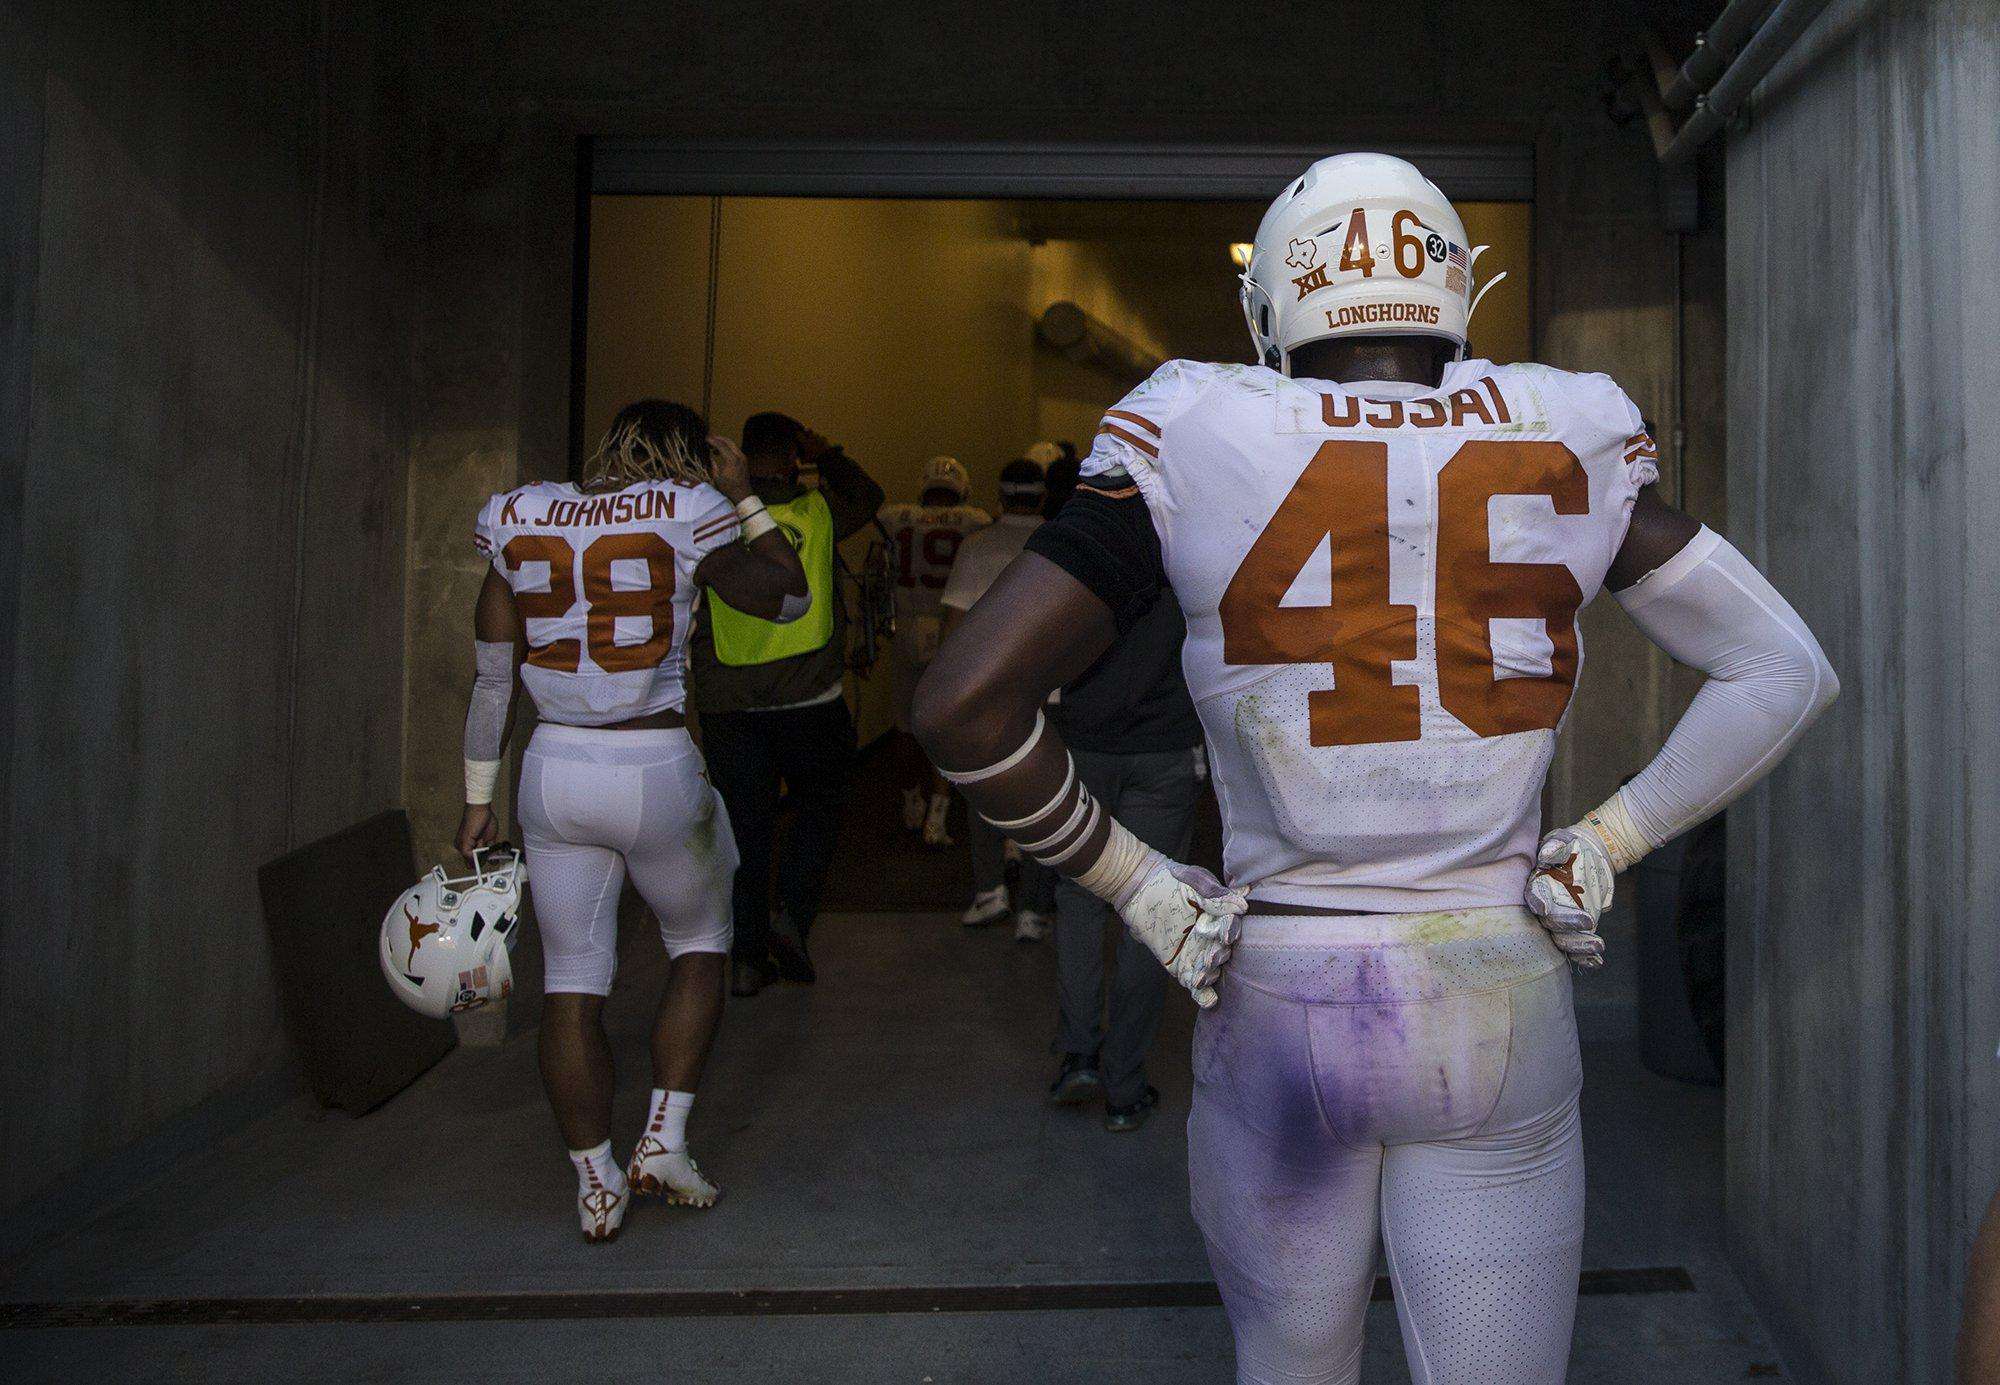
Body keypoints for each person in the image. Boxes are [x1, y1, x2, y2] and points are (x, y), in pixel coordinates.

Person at [915, 152, 1838, 1383]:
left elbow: (964, 703)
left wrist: (1135, 880)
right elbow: (1781, 667)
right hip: (1492, 981)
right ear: (1455, 288)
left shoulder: (1195, 420)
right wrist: (1607, 840)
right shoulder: (1562, 420)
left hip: (1284, 983)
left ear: (1277, 301)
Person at [456, 400, 807, 1243]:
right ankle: (663, 1142)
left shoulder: (519, 510)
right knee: (698, 945)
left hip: (552, 770)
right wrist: (741, 496)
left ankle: (595, 1181)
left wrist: (476, 797)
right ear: (689, 455)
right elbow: (787, 602)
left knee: (572, 981)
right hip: (651, 765)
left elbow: (495, 679)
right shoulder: (687, 506)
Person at [686, 412, 885, 999]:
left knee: (745, 831)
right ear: (795, 456)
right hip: (812, 702)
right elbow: (868, 495)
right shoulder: (821, 511)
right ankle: (792, 917)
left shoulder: (706, 519)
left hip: (729, 707)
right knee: (818, 812)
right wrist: (826, 448)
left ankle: (746, 960)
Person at [1042, 523, 1204, 1132]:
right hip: (1162, 750)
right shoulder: (1188, 553)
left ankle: (1078, 1053)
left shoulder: (1082, 553)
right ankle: (1124, 1085)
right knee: (1153, 907)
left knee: (1080, 900)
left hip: (1082, 747)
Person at [936, 456, 1055, 939]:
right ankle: (1033, 907)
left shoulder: (977, 547)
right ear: (1042, 497)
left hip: (989, 694)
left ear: (1001, 497)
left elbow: (954, 625)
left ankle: (990, 892)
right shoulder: (1059, 541)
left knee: (986, 792)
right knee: (1049, 799)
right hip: (1051, 691)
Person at [876, 456, 990, 834]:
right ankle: (938, 812)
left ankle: (912, 798)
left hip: (908, 627)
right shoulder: (974, 521)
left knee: (904, 725)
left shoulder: (897, 517)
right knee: (946, 728)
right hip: (951, 629)